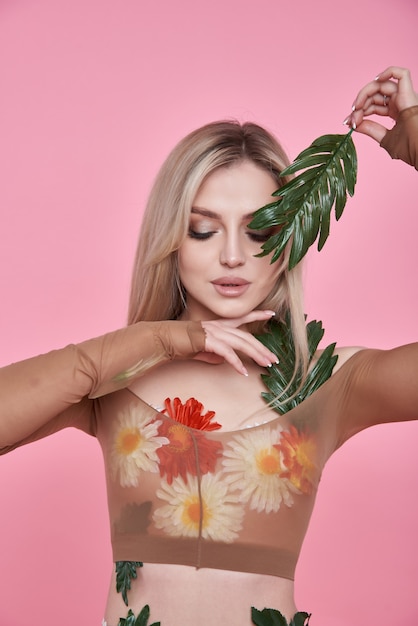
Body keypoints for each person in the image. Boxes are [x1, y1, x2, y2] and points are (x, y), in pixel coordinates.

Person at [1, 66, 417, 626]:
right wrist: (161, 341)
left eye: (260, 230)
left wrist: (416, 137)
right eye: (203, 229)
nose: (231, 256)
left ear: (289, 239)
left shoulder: (331, 381)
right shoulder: (117, 376)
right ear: (171, 237)